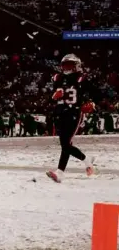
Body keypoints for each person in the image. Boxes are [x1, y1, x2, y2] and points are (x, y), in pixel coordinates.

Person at [46, 54, 97, 183]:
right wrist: (54, 96)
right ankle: (87, 161)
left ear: (76, 66)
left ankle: (60, 173)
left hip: (74, 112)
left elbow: (92, 93)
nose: (67, 67)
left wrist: (91, 102)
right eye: (65, 65)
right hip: (60, 112)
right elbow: (50, 97)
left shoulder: (81, 78)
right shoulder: (58, 77)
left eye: (70, 65)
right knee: (65, 144)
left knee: (66, 143)